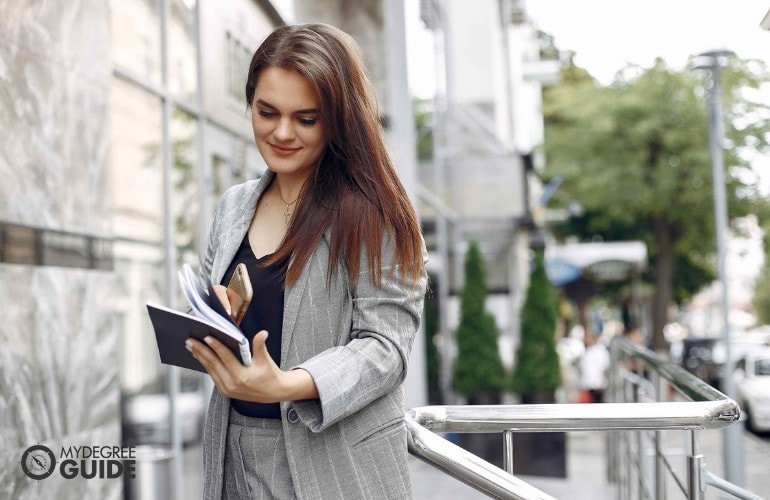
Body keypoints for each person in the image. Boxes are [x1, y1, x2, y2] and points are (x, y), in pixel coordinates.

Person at [185, 23, 428, 499]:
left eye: (306, 118)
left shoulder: (372, 213)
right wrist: (208, 316)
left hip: (334, 467)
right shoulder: (235, 205)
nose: (281, 133)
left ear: (338, 119)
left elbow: (386, 347)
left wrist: (290, 384)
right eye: (266, 111)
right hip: (233, 458)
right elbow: (214, 306)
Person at [579, 331, 610, 403]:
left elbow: (605, 368)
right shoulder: (586, 351)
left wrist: (601, 382)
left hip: (598, 386)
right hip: (588, 386)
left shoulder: (602, 351)